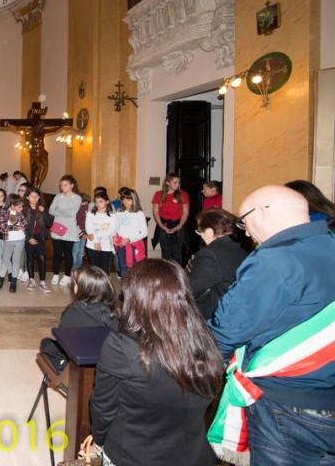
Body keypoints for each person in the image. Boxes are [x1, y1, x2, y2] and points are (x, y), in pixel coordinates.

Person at [210, 186, 335, 465]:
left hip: (287, 403)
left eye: (244, 222)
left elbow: (226, 330)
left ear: (263, 211)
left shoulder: (274, 260)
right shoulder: (329, 244)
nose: (245, 232)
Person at [87, 259, 224, 466]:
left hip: (132, 456)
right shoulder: (205, 340)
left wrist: (98, 441)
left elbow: (103, 407)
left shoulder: (121, 347)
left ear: (136, 298)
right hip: (193, 455)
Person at [187, 209, 247, 320]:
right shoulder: (241, 248)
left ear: (209, 232)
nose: (201, 235)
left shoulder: (210, 254)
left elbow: (190, 290)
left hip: (215, 317)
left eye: (200, 231)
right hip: (237, 311)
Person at [59, 265, 119, 329]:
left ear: (84, 289)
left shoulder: (71, 313)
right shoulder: (113, 314)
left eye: (75, 283)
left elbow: (64, 333)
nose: (74, 286)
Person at [49, 175, 82, 286]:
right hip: (57, 227)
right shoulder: (58, 196)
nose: (62, 187)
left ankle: (67, 275)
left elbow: (71, 213)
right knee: (57, 253)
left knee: (68, 253)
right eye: (61, 185)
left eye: (65, 185)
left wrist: (59, 210)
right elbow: (51, 210)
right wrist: (63, 211)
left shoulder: (77, 198)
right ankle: (55, 274)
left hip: (69, 229)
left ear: (71, 185)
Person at [151, 172, 189, 265]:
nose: (178, 184)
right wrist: (162, 226)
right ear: (167, 182)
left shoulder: (183, 194)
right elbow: (156, 212)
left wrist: (179, 226)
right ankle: (166, 272)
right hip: (163, 224)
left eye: (178, 182)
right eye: (175, 182)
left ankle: (178, 272)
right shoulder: (158, 194)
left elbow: (185, 212)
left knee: (177, 252)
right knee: (166, 251)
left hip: (178, 224)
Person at [24, 186, 54, 293]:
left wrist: (44, 211)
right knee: (30, 258)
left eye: (36, 196)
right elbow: (21, 226)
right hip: (28, 236)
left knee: (42, 258)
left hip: (40, 236)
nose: (34, 198)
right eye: (31, 196)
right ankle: (31, 280)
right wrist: (28, 238)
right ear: (27, 197)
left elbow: (49, 223)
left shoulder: (42, 208)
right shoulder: (24, 209)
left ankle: (42, 282)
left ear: (39, 197)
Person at [0, 194, 27, 293]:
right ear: (12, 205)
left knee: (16, 261)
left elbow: (25, 223)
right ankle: (0, 281)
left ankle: (13, 282)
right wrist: (17, 227)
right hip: (9, 240)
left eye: (22, 206)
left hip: (20, 239)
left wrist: (22, 225)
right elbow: (3, 226)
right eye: (19, 206)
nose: (21, 208)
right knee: (5, 260)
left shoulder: (19, 212)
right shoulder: (4, 212)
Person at [113, 188, 147, 277]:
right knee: (123, 269)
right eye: (123, 199)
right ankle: (125, 285)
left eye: (128, 199)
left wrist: (129, 239)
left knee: (134, 270)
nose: (125, 202)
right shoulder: (119, 212)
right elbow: (115, 227)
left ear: (134, 199)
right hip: (121, 244)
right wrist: (114, 236)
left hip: (133, 245)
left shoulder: (139, 213)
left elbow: (144, 232)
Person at [85, 191, 119, 272]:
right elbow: (89, 228)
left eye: (101, 201)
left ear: (107, 202)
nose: (98, 204)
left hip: (106, 245)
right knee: (94, 269)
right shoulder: (90, 214)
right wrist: (96, 241)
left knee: (104, 269)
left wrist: (97, 238)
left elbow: (110, 231)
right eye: (96, 201)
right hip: (92, 244)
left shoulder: (113, 216)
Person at [70, 193, 90, 275]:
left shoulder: (88, 208)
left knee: (81, 252)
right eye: (84, 202)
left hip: (84, 234)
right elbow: (73, 223)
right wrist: (81, 233)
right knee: (75, 252)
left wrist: (86, 233)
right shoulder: (76, 208)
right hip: (76, 234)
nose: (85, 204)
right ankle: (73, 270)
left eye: (86, 202)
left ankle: (77, 269)